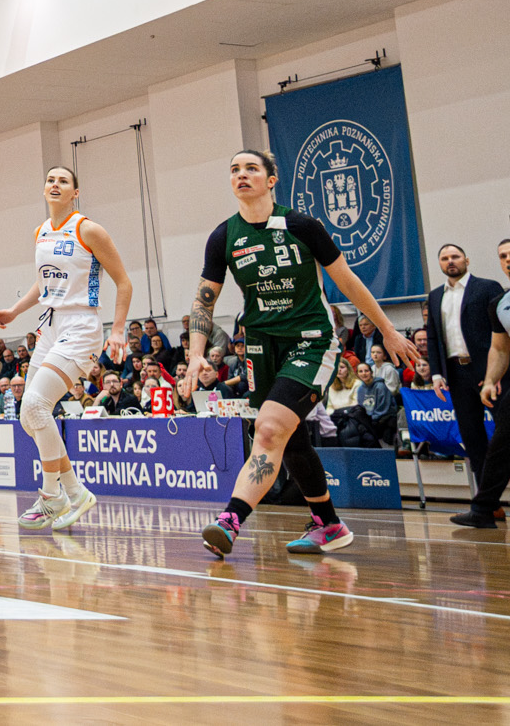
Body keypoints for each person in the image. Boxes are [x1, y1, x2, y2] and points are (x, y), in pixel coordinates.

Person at [187, 150, 422, 557]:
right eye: (235, 169)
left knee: (268, 430)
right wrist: (195, 353)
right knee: (290, 440)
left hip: (310, 341)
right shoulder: (224, 236)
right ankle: (329, 524)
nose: (241, 175)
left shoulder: (302, 226)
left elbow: (347, 281)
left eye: (251, 168)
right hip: (261, 347)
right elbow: (204, 301)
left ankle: (230, 520)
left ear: (271, 179)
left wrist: (387, 330)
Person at [0, 165, 134, 532]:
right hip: (51, 325)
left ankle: (52, 495)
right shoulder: (40, 232)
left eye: (63, 181)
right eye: (50, 180)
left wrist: (118, 330)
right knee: (29, 416)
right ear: (44, 189)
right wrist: (14, 311)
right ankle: (75, 492)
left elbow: (124, 282)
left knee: (36, 406)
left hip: (82, 326)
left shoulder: (89, 230)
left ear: (75, 192)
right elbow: (43, 284)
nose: (55, 184)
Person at [424, 243, 505, 480]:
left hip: (490, 371)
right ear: (440, 264)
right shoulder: (435, 295)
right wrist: (436, 374)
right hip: (456, 374)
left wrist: (498, 372)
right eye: (445, 258)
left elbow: (502, 331)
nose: (450, 261)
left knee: (505, 429)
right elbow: (432, 337)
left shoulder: (488, 287)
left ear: (466, 260)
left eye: (455, 256)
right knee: (471, 436)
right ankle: (486, 496)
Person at [456, 283, 510, 527]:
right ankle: (483, 509)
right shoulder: (499, 304)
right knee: (502, 444)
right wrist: (489, 381)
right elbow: (500, 349)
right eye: (505, 261)